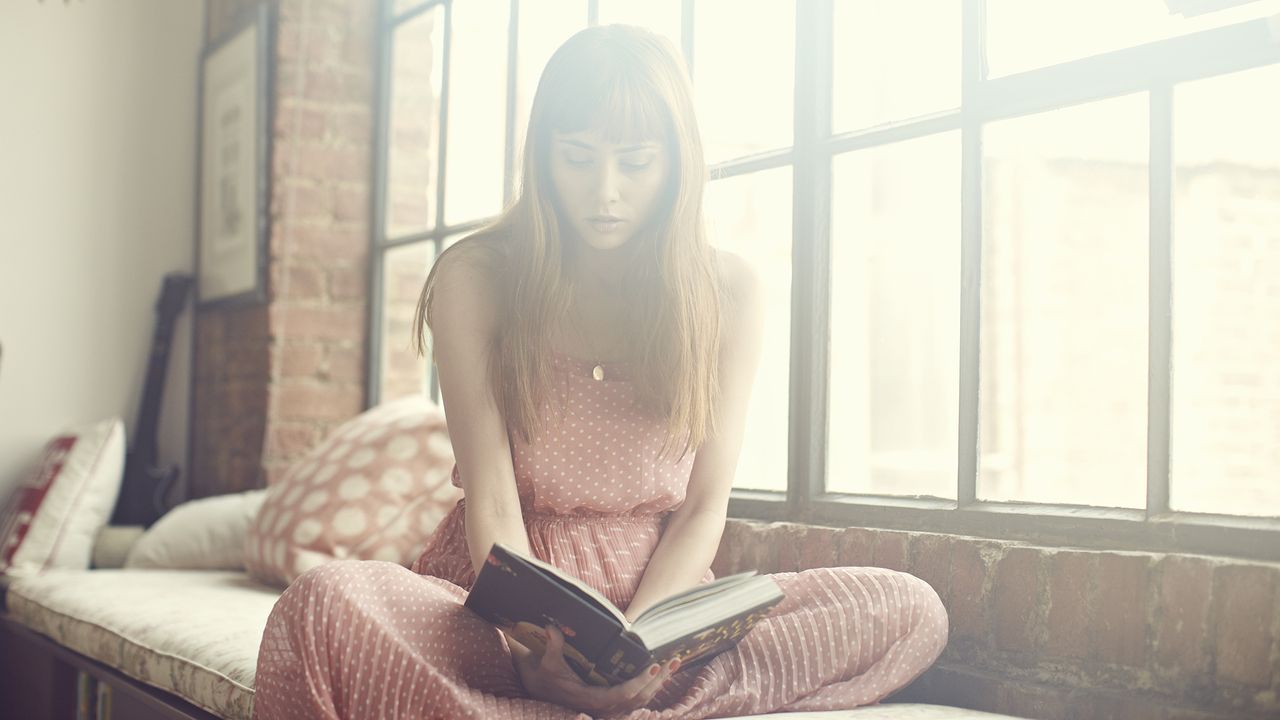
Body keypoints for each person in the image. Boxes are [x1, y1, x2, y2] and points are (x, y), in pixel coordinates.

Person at [253, 24, 947, 720]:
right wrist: (534, 649)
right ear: (543, 156)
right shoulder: (475, 278)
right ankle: (541, 699)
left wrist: (639, 653)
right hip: (498, 624)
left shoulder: (728, 293)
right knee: (322, 604)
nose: (605, 191)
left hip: (665, 621)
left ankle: (612, 704)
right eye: (578, 158)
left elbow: (704, 506)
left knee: (910, 607)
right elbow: (493, 502)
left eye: (637, 162)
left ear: (676, 164)